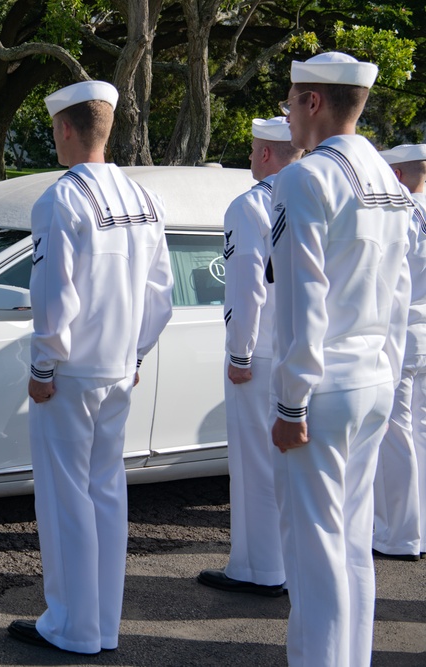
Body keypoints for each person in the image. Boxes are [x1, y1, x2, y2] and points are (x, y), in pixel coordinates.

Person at [8, 80, 174, 655]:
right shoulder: (142, 197)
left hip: (73, 372)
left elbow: (55, 296)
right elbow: (161, 296)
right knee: (106, 495)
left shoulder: (61, 199)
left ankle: (71, 626)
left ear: (65, 129)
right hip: (117, 369)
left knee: (64, 499)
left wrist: (44, 365)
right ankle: (102, 625)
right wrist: (135, 354)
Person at [271, 52, 413, 667]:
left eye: (292, 98)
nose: (288, 111)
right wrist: (390, 367)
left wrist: (290, 399)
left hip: (324, 385)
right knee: (353, 544)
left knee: (315, 549)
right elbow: (402, 294)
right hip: (374, 374)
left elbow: (304, 301)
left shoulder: (305, 177)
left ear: (313, 102)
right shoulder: (386, 178)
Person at [198, 117, 301, 597]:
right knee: (291, 466)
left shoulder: (251, 205)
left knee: (254, 464)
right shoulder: (317, 199)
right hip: (305, 350)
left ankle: (258, 568)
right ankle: (285, 561)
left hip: (260, 352)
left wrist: (239, 353)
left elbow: (245, 287)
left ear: (263, 154)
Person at [373, 143, 426, 562]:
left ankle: (398, 534)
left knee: (396, 433)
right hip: (423, 332)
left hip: (403, 332)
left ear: (398, 175)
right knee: (418, 433)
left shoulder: (401, 211)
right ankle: (417, 528)